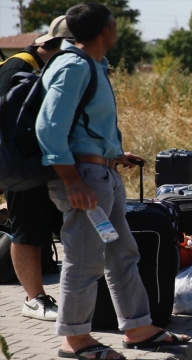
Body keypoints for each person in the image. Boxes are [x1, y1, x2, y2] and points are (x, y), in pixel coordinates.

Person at [36, 4, 189, 358]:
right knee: (85, 258)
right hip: (84, 179)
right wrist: (72, 180)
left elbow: (83, 126)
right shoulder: (73, 66)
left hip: (102, 174)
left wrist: (114, 154)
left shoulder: (93, 66)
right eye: (115, 23)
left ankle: (138, 328)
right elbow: (49, 127)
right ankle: (75, 340)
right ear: (106, 30)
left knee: (121, 254)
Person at [0, 15, 73, 322]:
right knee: (26, 231)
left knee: (50, 228)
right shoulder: (19, 66)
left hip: (40, 166)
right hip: (22, 168)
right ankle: (33, 298)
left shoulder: (44, 67)